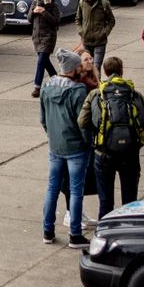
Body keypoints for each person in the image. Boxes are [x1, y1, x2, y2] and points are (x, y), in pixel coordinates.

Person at [82, 56, 144, 217]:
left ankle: (106, 229)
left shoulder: (96, 94)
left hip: (104, 153)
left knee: (105, 201)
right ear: (122, 71)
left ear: (105, 71)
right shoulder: (134, 93)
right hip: (130, 152)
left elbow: (82, 121)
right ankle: (128, 228)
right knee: (130, 201)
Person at [38, 49, 91, 244]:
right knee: (76, 190)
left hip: (55, 146)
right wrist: (88, 141)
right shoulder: (78, 91)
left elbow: (43, 119)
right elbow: (83, 123)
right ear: (73, 69)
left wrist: (51, 135)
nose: (81, 69)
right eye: (79, 66)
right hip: (75, 147)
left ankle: (48, 231)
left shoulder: (47, 87)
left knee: (52, 188)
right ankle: (75, 234)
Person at [74, 0, 115, 66]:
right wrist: (81, 31)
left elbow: (111, 20)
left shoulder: (104, 3)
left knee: (96, 67)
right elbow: (78, 19)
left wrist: (104, 33)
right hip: (86, 41)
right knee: (88, 66)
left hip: (100, 42)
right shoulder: (82, 2)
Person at [28, 0, 57, 96]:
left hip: (48, 37)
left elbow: (56, 21)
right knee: (45, 62)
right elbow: (29, 19)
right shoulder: (35, 2)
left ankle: (37, 87)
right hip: (37, 37)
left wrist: (44, 12)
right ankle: (56, 79)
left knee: (41, 62)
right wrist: (33, 12)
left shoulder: (52, 5)